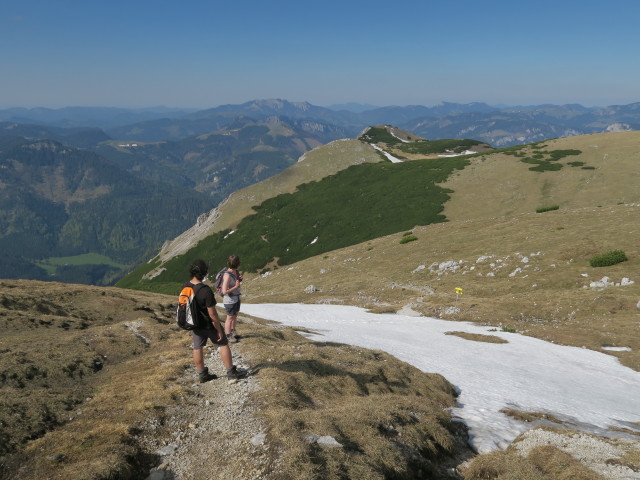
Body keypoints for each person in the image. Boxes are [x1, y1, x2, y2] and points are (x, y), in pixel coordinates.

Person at [185, 259, 246, 383]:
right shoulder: (205, 290)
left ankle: (202, 374)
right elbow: (212, 313)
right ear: (203, 273)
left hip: (195, 324)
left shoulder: (185, 286)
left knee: (197, 347)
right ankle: (231, 372)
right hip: (208, 324)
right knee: (223, 343)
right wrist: (218, 328)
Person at [221, 254, 243, 342]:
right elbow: (224, 291)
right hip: (229, 301)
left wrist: (239, 279)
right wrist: (236, 286)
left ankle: (233, 332)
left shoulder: (235, 272)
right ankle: (228, 335)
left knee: (235, 316)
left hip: (236, 298)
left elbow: (234, 282)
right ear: (238, 264)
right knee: (229, 318)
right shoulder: (227, 275)